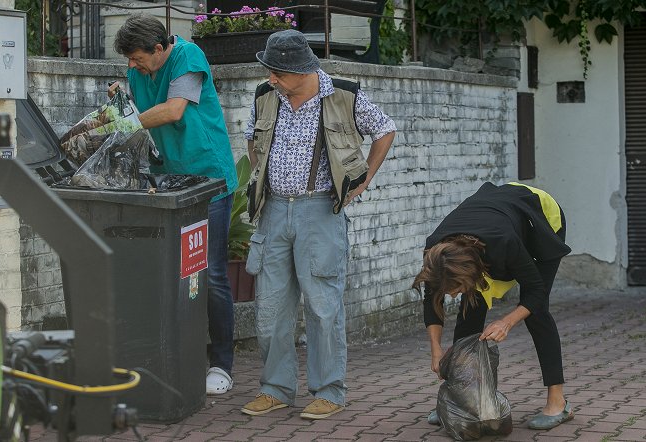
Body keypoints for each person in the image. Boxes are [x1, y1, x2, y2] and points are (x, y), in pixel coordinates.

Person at [240, 30, 396, 419]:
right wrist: (262, 173)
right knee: (270, 307)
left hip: (320, 213)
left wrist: (365, 179)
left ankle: (329, 391)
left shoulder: (343, 95)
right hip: (272, 211)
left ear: (303, 69)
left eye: (277, 72)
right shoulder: (266, 96)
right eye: (270, 71)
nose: (271, 78)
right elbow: (251, 139)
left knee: (324, 307)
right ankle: (275, 388)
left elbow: (385, 129)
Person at [110, 14, 238, 395]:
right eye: (129, 60)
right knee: (175, 274)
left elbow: (173, 109)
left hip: (208, 178)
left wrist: (121, 125)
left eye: (137, 58)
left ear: (160, 47)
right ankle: (180, 356)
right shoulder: (137, 70)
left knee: (211, 274)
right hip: (167, 180)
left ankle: (222, 364)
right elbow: (138, 113)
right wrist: (121, 104)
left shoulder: (188, 56)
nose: (133, 65)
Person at [412, 182, 574, 430]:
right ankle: (462, 399)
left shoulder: (504, 243)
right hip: (491, 219)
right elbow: (431, 301)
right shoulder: (437, 254)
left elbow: (536, 291)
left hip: (540, 218)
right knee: (470, 308)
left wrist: (507, 321)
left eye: (454, 289)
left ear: (470, 272)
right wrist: (436, 349)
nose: (452, 296)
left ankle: (558, 402)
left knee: (536, 312)